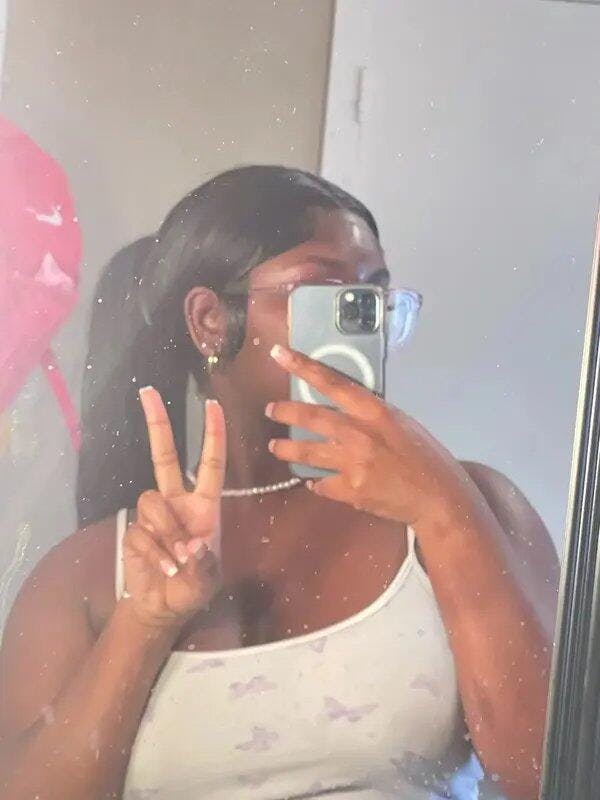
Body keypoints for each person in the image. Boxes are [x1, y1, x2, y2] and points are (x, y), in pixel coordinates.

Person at [0, 166, 559, 800]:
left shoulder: (470, 507)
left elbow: (550, 775)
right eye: (327, 296)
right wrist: (144, 624)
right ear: (210, 320)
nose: (367, 324)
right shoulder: (88, 572)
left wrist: (445, 512)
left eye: (375, 297)